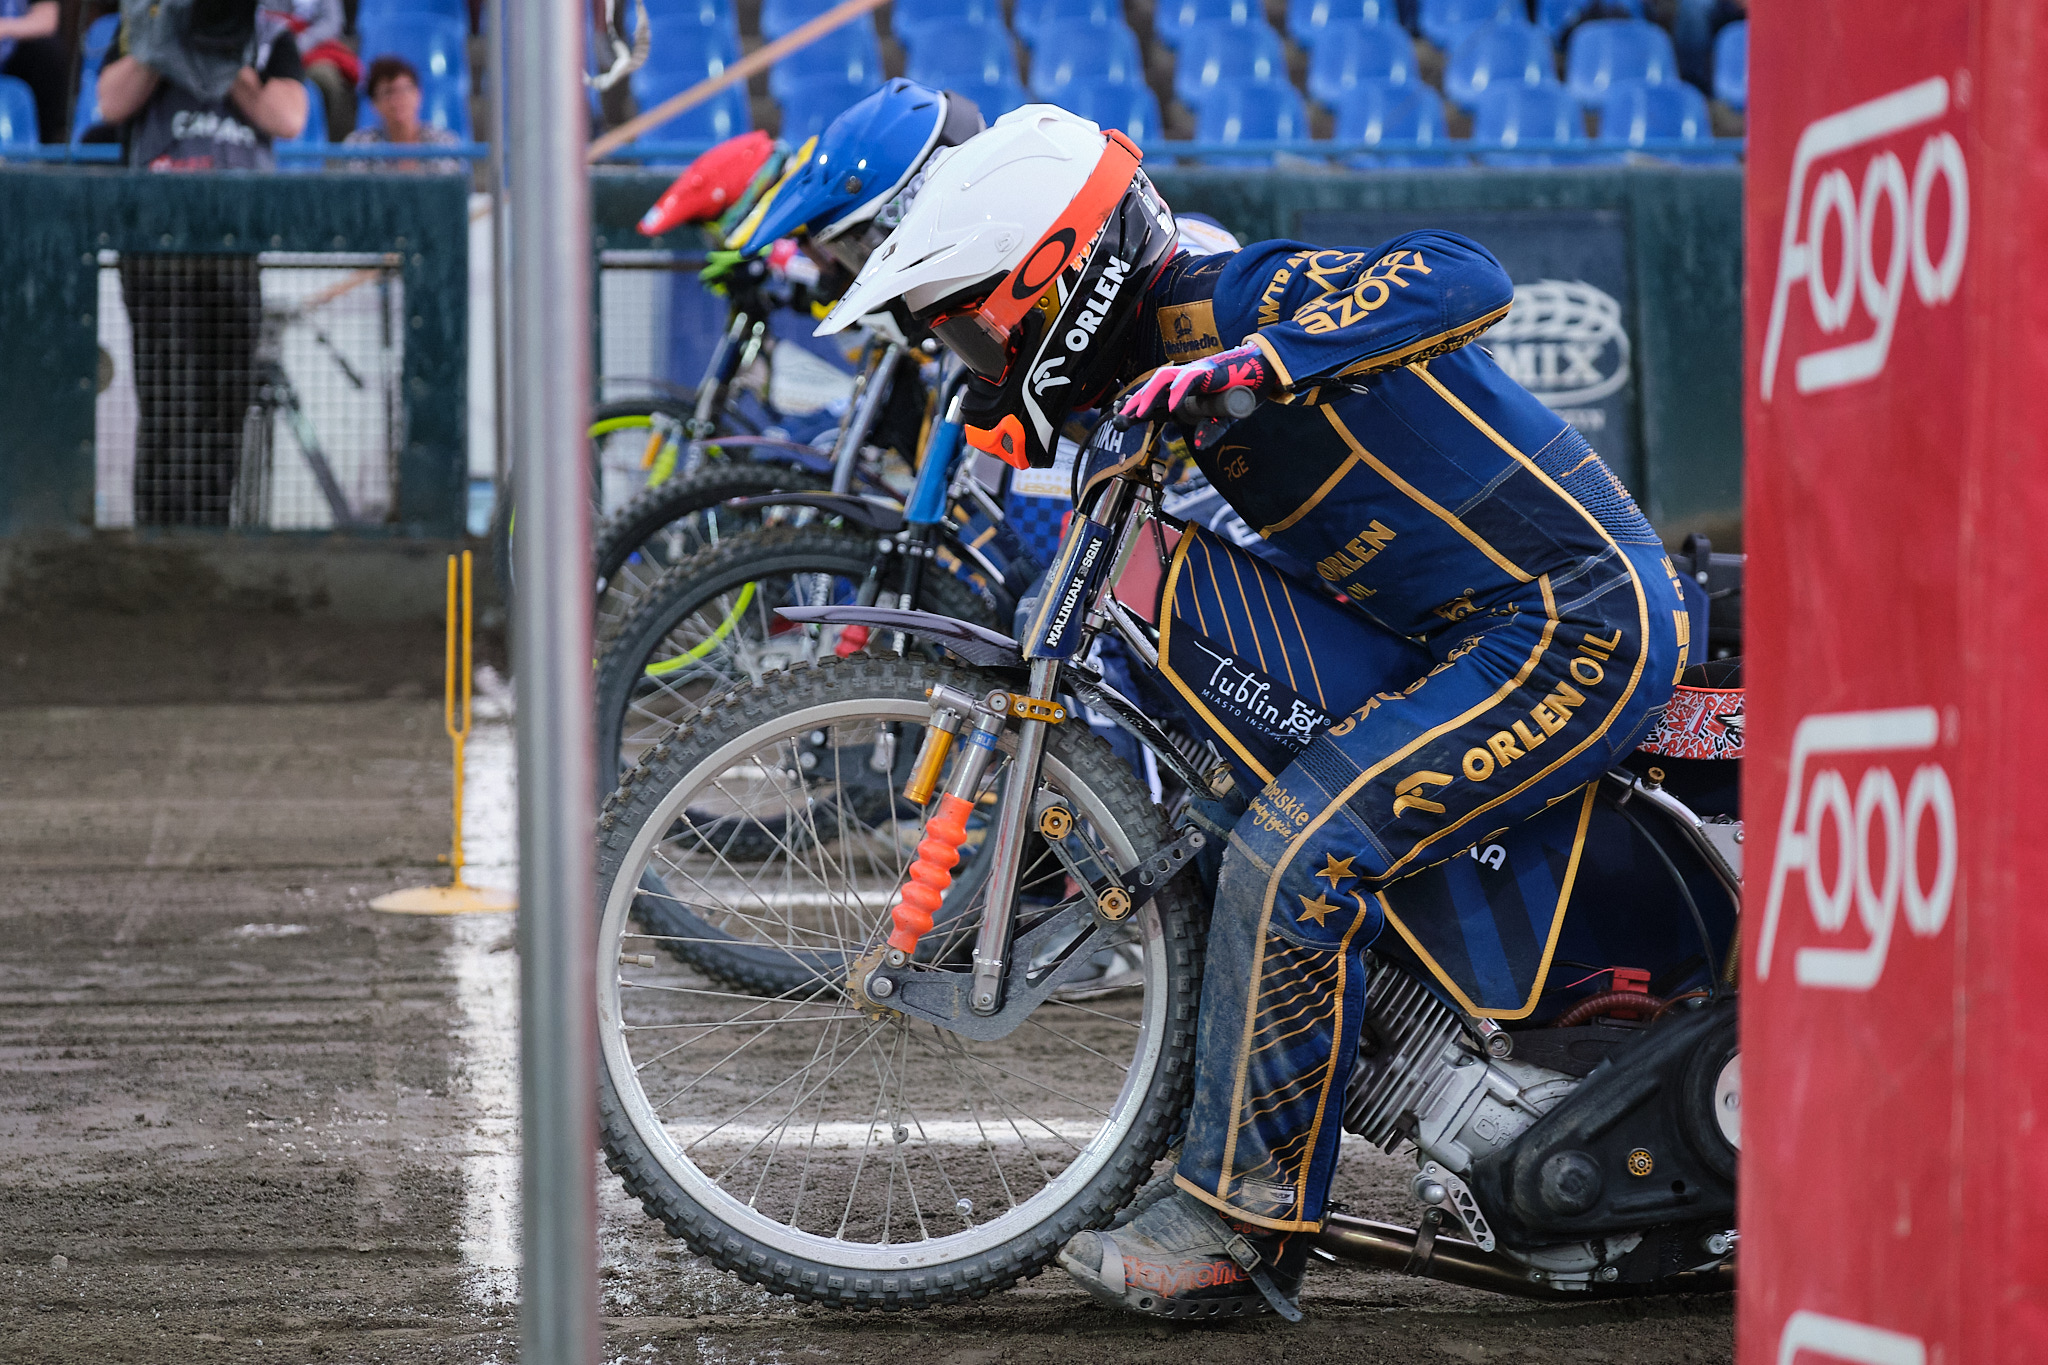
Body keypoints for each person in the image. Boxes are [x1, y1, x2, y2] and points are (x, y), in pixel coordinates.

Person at [818, 106, 1690, 1321]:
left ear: (1053, 277)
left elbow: (1464, 274)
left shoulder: (1230, 301)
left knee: (1294, 855)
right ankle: (1239, 1130)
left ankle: (1240, 1229)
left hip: (1568, 625)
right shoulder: (1145, 370)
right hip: (1463, 634)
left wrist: (1261, 362)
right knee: (1238, 803)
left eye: (976, 327)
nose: (974, 358)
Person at [98, 0, 308, 525]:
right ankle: (159, 534)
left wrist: (226, 57)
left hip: (234, 241)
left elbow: (288, 117)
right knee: (167, 397)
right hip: (156, 244)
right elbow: (109, 103)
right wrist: (161, 46)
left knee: (226, 395)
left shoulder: (268, 37)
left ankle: (212, 531)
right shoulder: (142, 25)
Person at [340, 55, 463, 173]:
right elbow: (355, 192)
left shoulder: (444, 143)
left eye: (404, 90)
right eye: (388, 92)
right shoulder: (358, 146)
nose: (397, 100)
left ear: (418, 94)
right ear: (374, 103)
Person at [259, 0, 355, 138]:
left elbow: (332, 24)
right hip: (271, 50)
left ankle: (331, 149)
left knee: (326, 78)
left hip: (310, 52)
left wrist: (297, 44)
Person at [0, 0, 62, 140]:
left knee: (46, 51)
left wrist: (5, 28)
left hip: (12, 59)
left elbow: (48, 19)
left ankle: (45, 147)